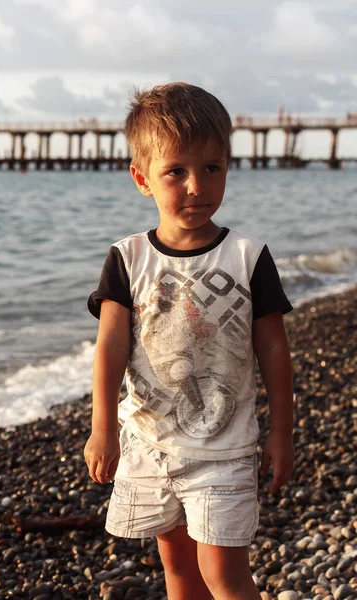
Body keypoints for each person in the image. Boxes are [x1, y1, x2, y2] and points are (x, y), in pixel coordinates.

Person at [84, 82, 294, 600]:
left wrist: (283, 431)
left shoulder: (248, 257)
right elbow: (110, 347)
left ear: (228, 167)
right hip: (151, 445)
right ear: (142, 179)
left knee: (223, 573)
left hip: (224, 447)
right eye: (176, 171)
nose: (196, 186)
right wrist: (102, 428)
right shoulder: (128, 258)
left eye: (211, 168)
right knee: (176, 565)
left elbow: (273, 350)